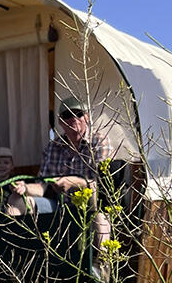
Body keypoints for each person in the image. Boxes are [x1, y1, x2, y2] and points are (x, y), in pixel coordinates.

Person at [13, 96, 111, 239]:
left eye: (78, 114)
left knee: (100, 213)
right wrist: (25, 188)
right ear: (60, 122)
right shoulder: (53, 147)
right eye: (67, 115)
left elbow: (102, 186)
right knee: (16, 200)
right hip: (60, 207)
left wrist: (75, 183)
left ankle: (101, 261)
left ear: (87, 117)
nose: (73, 119)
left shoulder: (99, 142)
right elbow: (42, 187)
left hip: (90, 207)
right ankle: (16, 252)